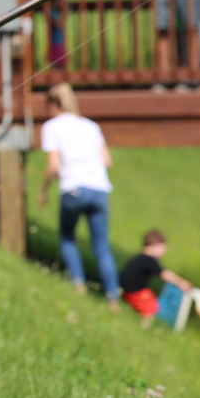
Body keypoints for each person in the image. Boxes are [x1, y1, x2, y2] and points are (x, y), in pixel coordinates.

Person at [36, 83, 119, 309]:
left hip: (73, 189)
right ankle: (113, 298)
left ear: (53, 105)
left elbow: (53, 166)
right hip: (99, 189)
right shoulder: (91, 126)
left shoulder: (52, 127)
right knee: (102, 247)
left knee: (67, 238)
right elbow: (107, 161)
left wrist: (43, 190)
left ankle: (79, 285)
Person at [120, 229, 193, 328]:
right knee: (150, 306)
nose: (164, 253)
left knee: (147, 296)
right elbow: (165, 274)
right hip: (136, 292)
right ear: (155, 244)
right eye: (162, 248)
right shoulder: (149, 259)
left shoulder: (138, 257)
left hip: (125, 290)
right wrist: (181, 282)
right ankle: (144, 327)